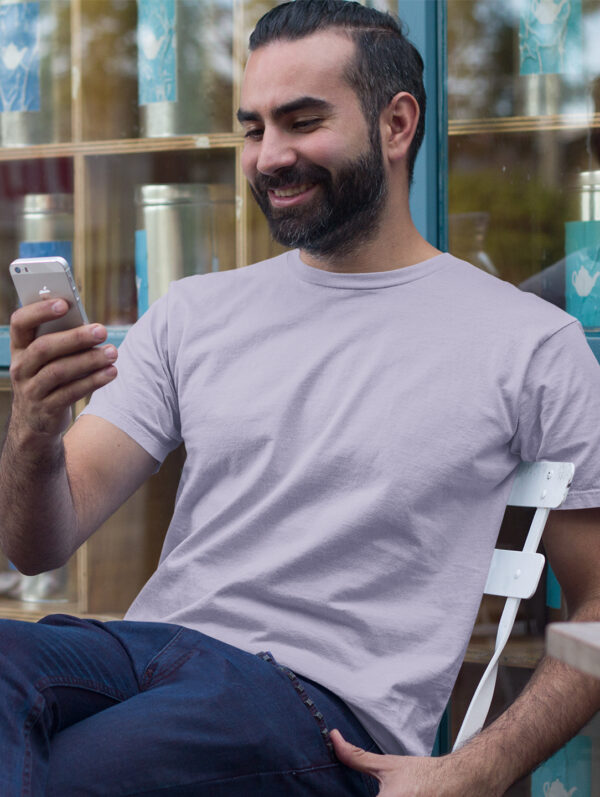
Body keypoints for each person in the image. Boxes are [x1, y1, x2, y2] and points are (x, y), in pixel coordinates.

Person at [1, 1, 600, 794]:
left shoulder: (531, 345)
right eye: (254, 129)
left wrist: (478, 767)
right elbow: (40, 543)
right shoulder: (194, 312)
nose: (270, 155)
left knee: (78, 773)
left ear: (397, 125)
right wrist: (34, 431)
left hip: (316, 706)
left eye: (302, 121)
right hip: (148, 649)